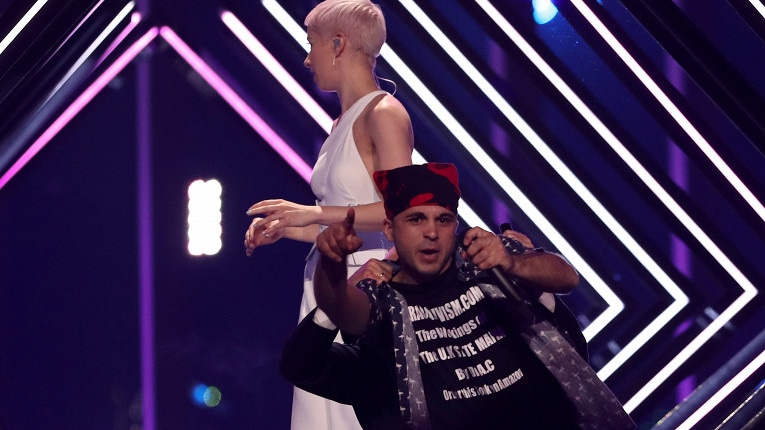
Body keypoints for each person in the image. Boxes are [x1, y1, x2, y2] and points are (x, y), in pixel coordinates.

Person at [280, 163, 635, 429]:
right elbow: (341, 307)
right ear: (389, 228)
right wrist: (333, 264)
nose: (431, 232)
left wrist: (512, 262)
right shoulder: (383, 298)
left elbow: (566, 276)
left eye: (444, 219)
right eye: (416, 219)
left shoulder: (488, 263)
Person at [243, 1, 413, 429]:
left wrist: (310, 212)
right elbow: (345, 220)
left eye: (311, 44)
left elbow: (401, 209)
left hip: (363, 288)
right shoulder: (341, 124)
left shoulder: (383, 113)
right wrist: (287, 227)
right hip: (326, 281)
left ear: (338, 44)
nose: (307, 58)